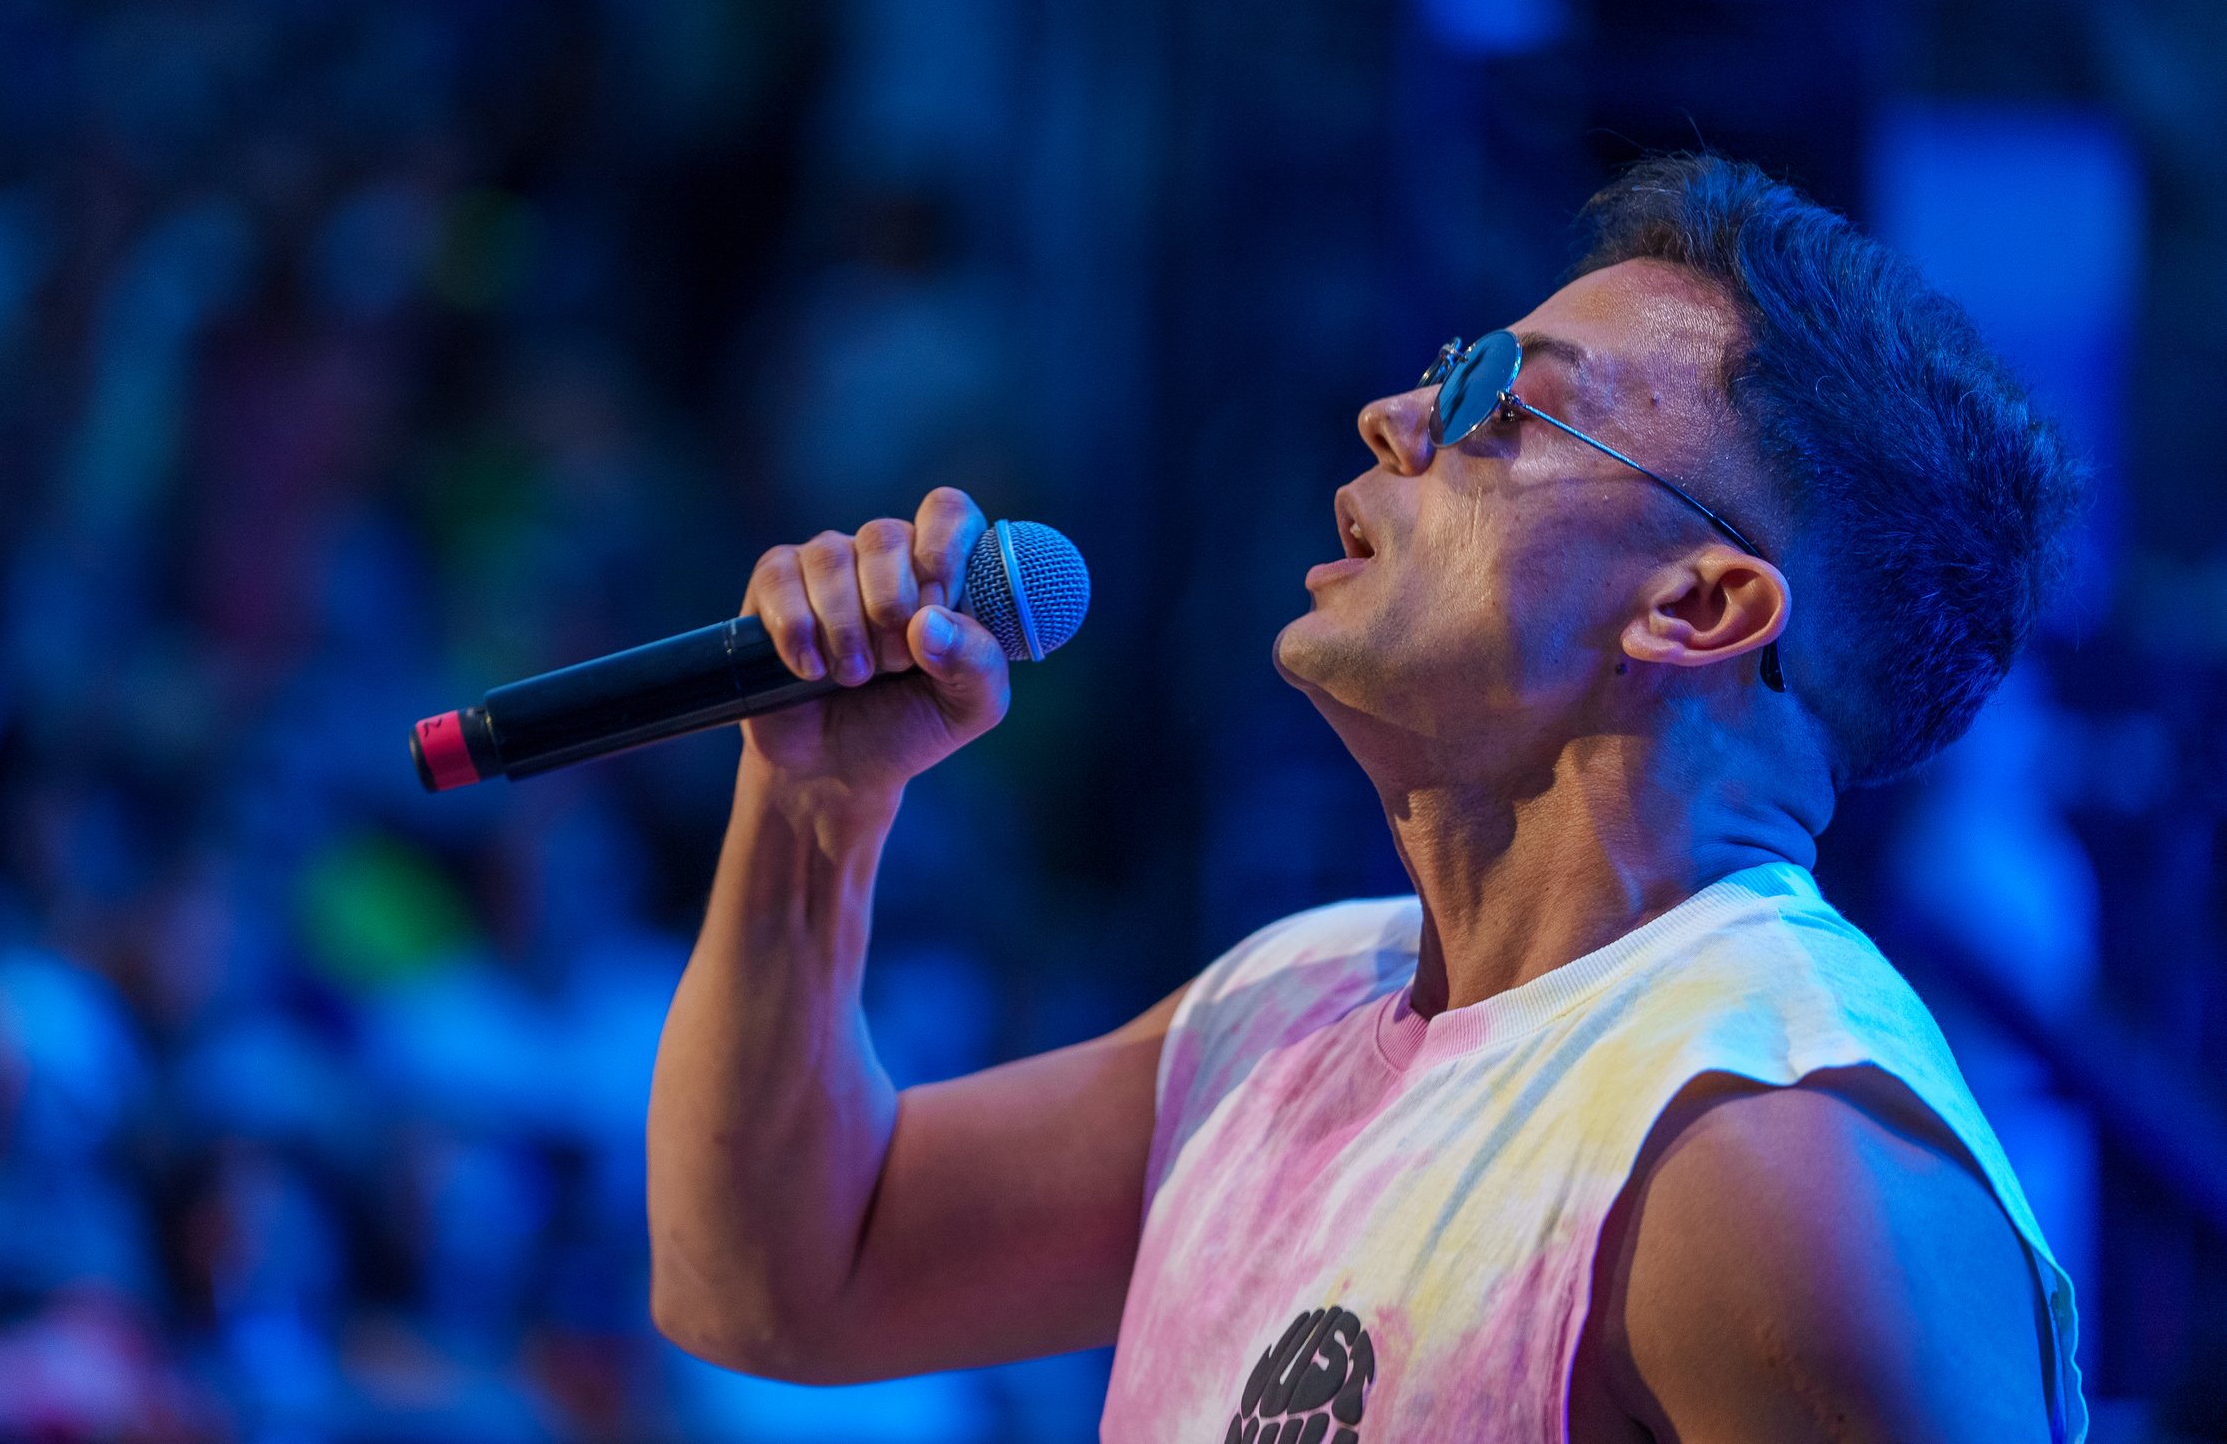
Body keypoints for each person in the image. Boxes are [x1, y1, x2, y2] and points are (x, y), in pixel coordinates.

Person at [644, 155, 2089, 1442]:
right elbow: (774, 1280)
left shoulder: (1767, 1154)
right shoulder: (1289, 1006)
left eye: (1495, 400)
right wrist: (817, 807)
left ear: (1699, 605)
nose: (1396, 416)